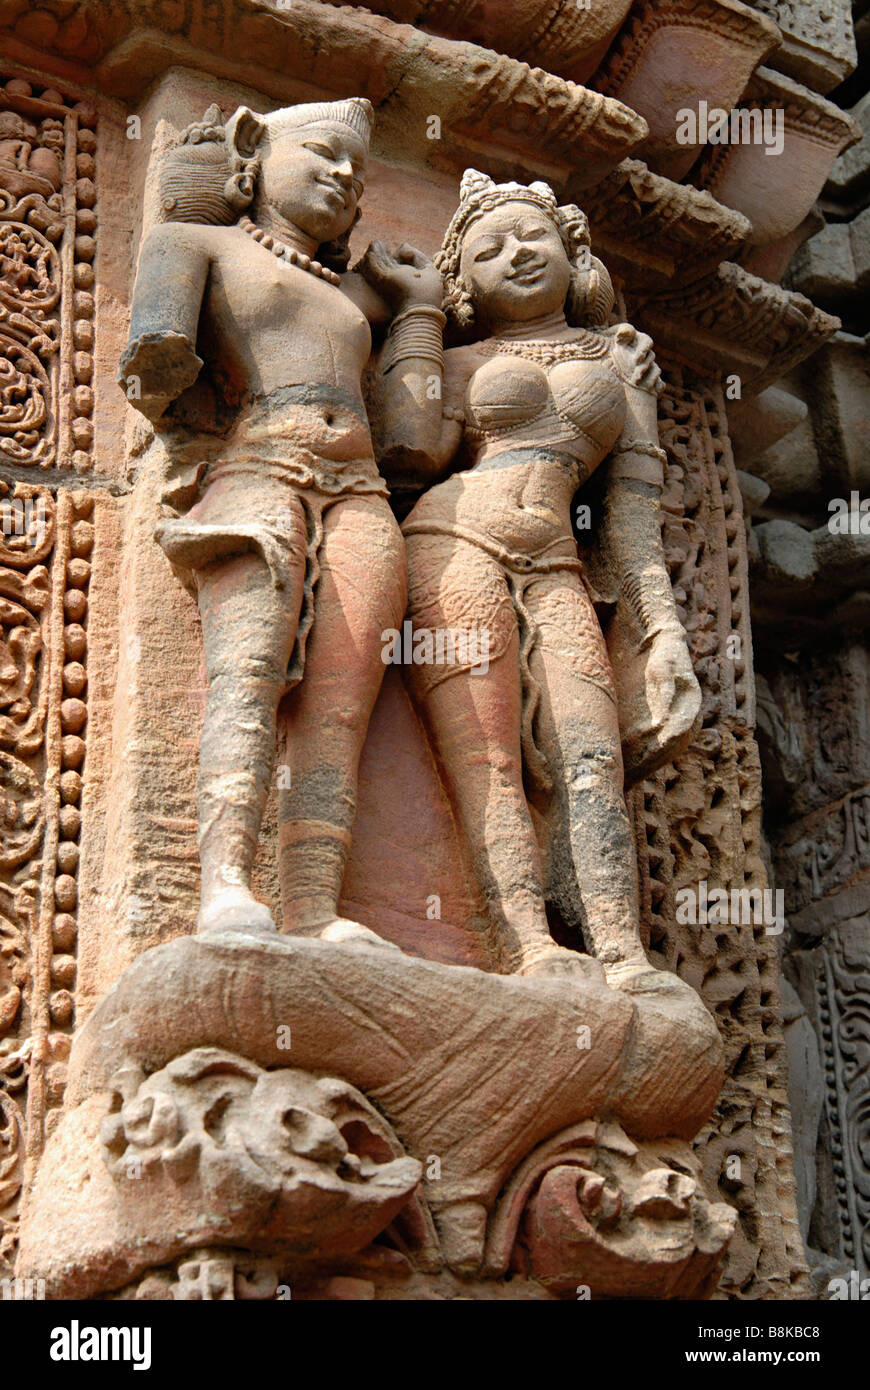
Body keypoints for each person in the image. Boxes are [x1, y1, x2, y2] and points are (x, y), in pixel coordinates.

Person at [362, 169, 701, 983]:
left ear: (571, 252)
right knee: (486, 755)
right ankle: (526, 943)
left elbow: (629, 517)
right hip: (454, 536)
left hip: (556, 560)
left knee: (591, 754)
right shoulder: (461, 352)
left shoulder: (619, 362)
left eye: (533, 237)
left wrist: (663, 633)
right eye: (490, 248)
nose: (517, 254)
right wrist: (415, 311)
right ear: (465, 280)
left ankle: (621, 951)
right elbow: (407, 450)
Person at [121, 98, 430, 941]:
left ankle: (313, 907)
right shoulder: (196, 242)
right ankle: (223, 884)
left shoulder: (356, 296)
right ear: (253, 150)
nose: (343, 176)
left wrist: (421, 307)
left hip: (361, 490)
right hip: (260, 469)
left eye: (358, 174)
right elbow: (154, 367)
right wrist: (162, 349)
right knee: (247, 676)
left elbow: (414, 440)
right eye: (325, 154)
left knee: (340, 706)